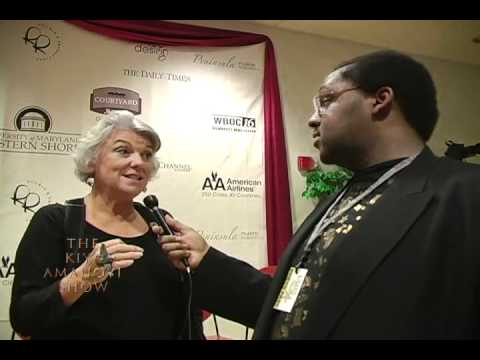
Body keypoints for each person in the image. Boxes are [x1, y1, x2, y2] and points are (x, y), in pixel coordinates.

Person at [157, 50, 480, 339]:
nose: (313, 118)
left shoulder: (463, 194)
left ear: (380, 100)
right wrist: (207, 262)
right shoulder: (339, 200)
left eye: (326, 100)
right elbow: (293, 307)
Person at [10, 110, 204, 339]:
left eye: (147, 155)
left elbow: (188, 311)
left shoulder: (160, 221)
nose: (138, 162)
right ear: (92, 160)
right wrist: (81, 278)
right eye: (123, 151)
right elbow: (24, 318)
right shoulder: (54, 222)